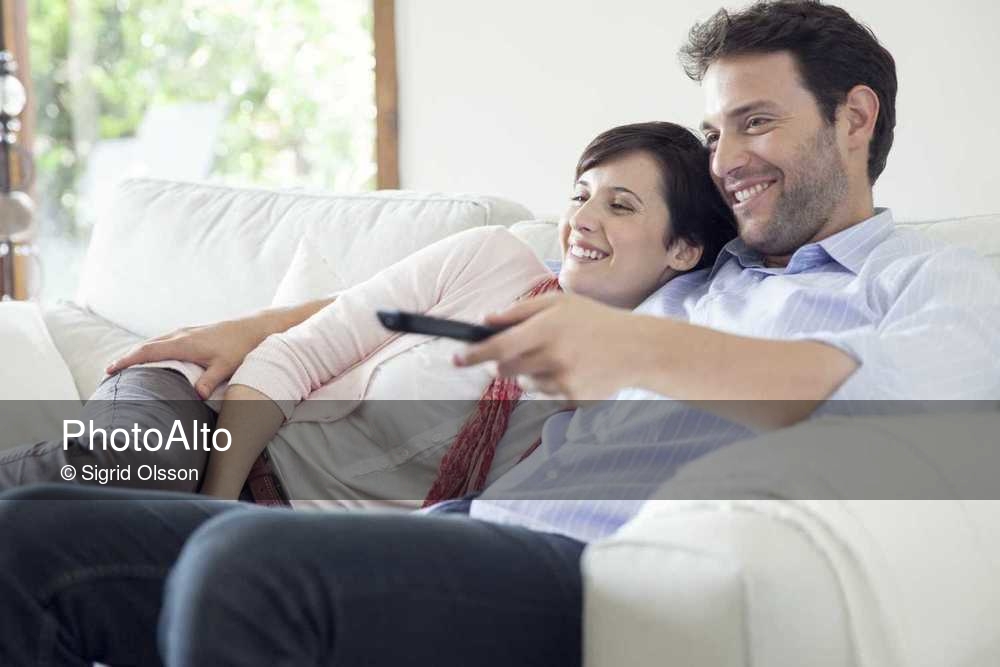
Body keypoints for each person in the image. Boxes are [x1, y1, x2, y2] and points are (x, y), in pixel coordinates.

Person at [2, 2, 999, 666]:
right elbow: (461, 283)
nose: (727, 157)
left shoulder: (933, 279)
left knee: (248, 568)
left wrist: (637, 348)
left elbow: (899, 407)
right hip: (465, 529)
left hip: (604, 574)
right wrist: (253, 324)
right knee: (33, 532)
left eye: (756, 122)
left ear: (854, 118)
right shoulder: (696, 267)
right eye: (714, 132)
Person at [0, 122, 735, 504]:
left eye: (620, 205)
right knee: (145, 470)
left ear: (683, 248)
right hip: (205, 409)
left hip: (282, 525)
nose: (583, 219)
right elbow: (293, 354)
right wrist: (215, 509)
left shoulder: (633, 383)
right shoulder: (492, 259)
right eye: (581, 194)